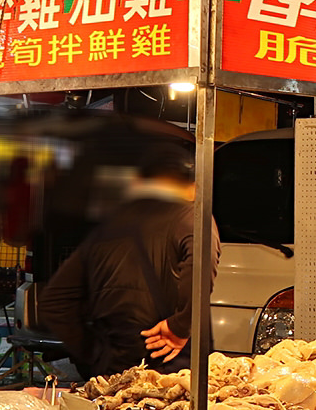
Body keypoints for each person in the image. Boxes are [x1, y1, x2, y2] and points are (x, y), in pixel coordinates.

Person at [39, 148, 217, 378]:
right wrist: (180, 326)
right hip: (170, 369)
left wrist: (96, 353)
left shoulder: (107, 228)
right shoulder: (191, 216)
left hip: (114, 369)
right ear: (192, 185)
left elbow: (54, 301)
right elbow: (201, 265)